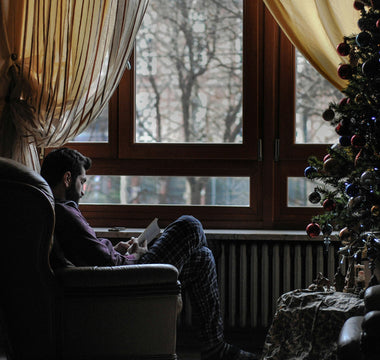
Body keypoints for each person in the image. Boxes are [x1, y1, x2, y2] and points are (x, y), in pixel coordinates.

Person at [41, 147, 259, 360]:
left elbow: (93, 254)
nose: (83, 191)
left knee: (202, 258)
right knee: (189, 225)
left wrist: (116, 249)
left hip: (118, 272)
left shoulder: (58, 212)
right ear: (68, 179)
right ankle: (216, 349)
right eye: (82, 182)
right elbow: (102, 262)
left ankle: (214, 347)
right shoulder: (64, 213)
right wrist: (137, 256)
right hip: (124, 280)